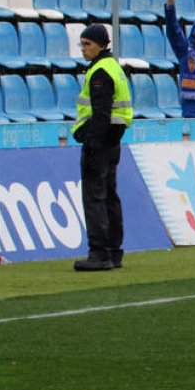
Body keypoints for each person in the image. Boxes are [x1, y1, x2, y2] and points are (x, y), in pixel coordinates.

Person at [72, 24, 134, 272]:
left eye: (87, 44)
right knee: (109, 197)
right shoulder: (113, 68)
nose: (83, 49)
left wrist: (92, 143)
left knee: (95, 198)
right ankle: (114, 252)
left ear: (101, 44)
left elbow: (100, 114)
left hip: (99, 143)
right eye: (82, 44)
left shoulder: (99, 72)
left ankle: (99, 254)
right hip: (113, 142)